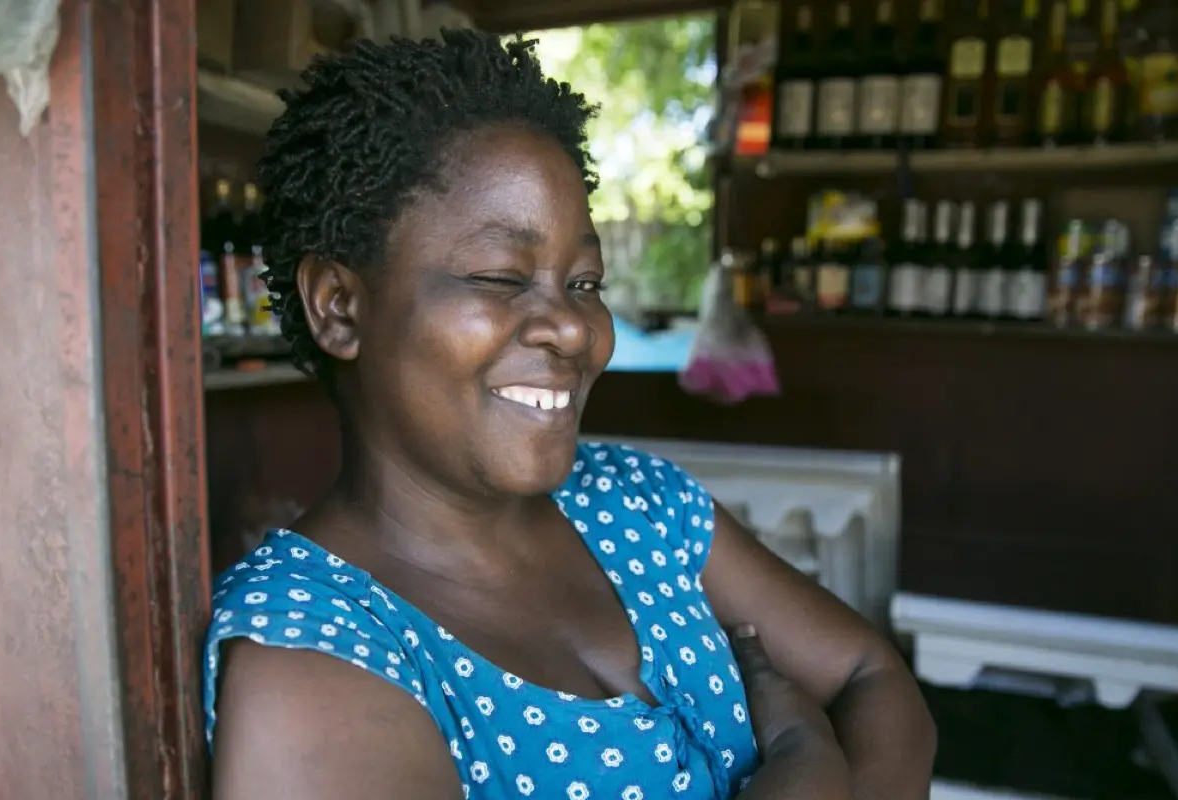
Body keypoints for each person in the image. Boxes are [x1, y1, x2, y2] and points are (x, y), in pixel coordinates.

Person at [205, 29, 935, 800]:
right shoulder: (313, 655)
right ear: (339, 307)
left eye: (584, 283)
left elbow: (871, 673)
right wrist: (802, 759)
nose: (574, 328)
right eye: (498, 276)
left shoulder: (638, 505)